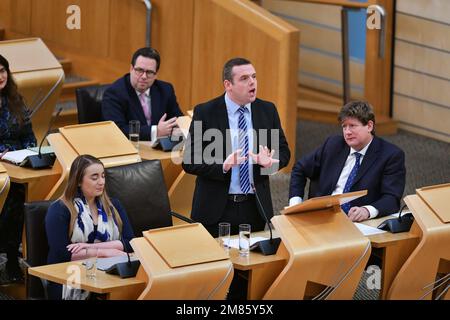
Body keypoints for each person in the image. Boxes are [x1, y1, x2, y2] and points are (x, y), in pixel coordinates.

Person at [182, 57, 291, 237]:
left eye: (254, 77)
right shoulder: (206, 112)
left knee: (249, 262)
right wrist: (223, 166)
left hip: (254, 207)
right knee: (216, 262)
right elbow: (189, 161)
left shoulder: (267, 110)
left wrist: (270, 163)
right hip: (216, 208)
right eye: (244, 78)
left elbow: (284, 152)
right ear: (228, 84)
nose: (252, 82)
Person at [289, 100, 406, 221]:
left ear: (369, 126)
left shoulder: (390, 155)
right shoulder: (333, 145)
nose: (347, 132)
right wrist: (296, 204)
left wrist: (367, 210)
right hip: (321, 217)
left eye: (352, 126)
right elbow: (300, 169)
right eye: (344, 126)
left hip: (358, 222)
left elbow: (391, 198)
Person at [45, 154, 134, 299]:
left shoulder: (114, 205)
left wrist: (90, 248)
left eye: (103, 176)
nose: (101, 182)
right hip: (68, 276)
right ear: (79, 181)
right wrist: (105, 252)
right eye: (94, 177)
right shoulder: (60, 209)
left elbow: (130, 243)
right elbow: (63, 254)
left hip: (109, 274)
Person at [0, 54, 37, 284]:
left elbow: (29, 136)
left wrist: (30, 153)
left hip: (16, 166)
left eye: (2, 70)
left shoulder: (15, 100)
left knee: (20, 198)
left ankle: (13, 258)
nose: (0, 76)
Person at [102, 47, 183, 141]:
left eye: (149, 72)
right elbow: (117, 130)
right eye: (139, 70)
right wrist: (155, 131)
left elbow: (178, 120)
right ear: (131, 69)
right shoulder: (114, 93)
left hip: (160, 149)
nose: (144, 76)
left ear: (156, 74)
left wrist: (177, 131)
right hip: (131, 148)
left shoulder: (165, 90)